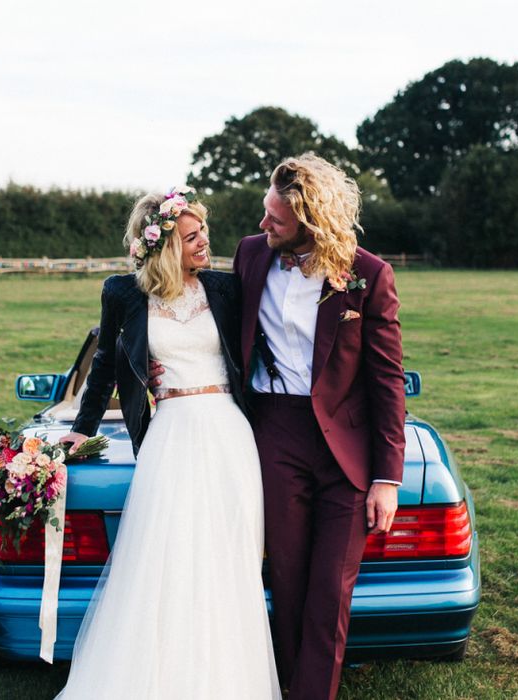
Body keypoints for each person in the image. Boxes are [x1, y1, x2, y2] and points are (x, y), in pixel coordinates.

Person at [152, 154, 405, 700]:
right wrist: (154, 355)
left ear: (311, 220)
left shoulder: (368, 275)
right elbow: (178, 293)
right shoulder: (250, 255)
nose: (262, 226)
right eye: (265, 213)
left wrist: (388, 477)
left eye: (276, 220)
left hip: (348, 451)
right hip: (273, 435)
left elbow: (387, 382)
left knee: (329, 592)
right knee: (286, 582)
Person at [56, 187, 281, 699]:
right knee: (165, 560)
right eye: (190, 235)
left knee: (229, 561)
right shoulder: (123, 294)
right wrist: (83, 427)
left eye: (203, 230)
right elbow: (108, 368)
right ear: (160, 246)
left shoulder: (225, 288)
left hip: (228, 433)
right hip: (169, 435)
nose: (204, 241)